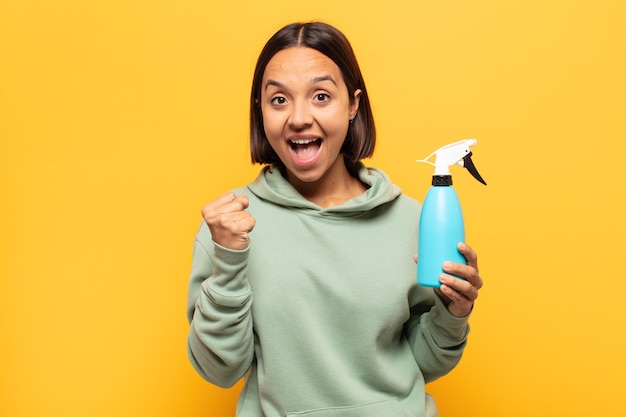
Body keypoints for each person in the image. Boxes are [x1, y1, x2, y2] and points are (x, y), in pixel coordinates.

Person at [186, 21, 483, 417]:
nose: (298, 118)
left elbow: (422, 362)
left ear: (353, 104)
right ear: (260, 110)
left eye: (321, 96)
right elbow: (219, 370)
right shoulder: (230, 226)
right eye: (279, 100)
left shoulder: (412, 219)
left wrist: (453, 314)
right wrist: (227, 265)